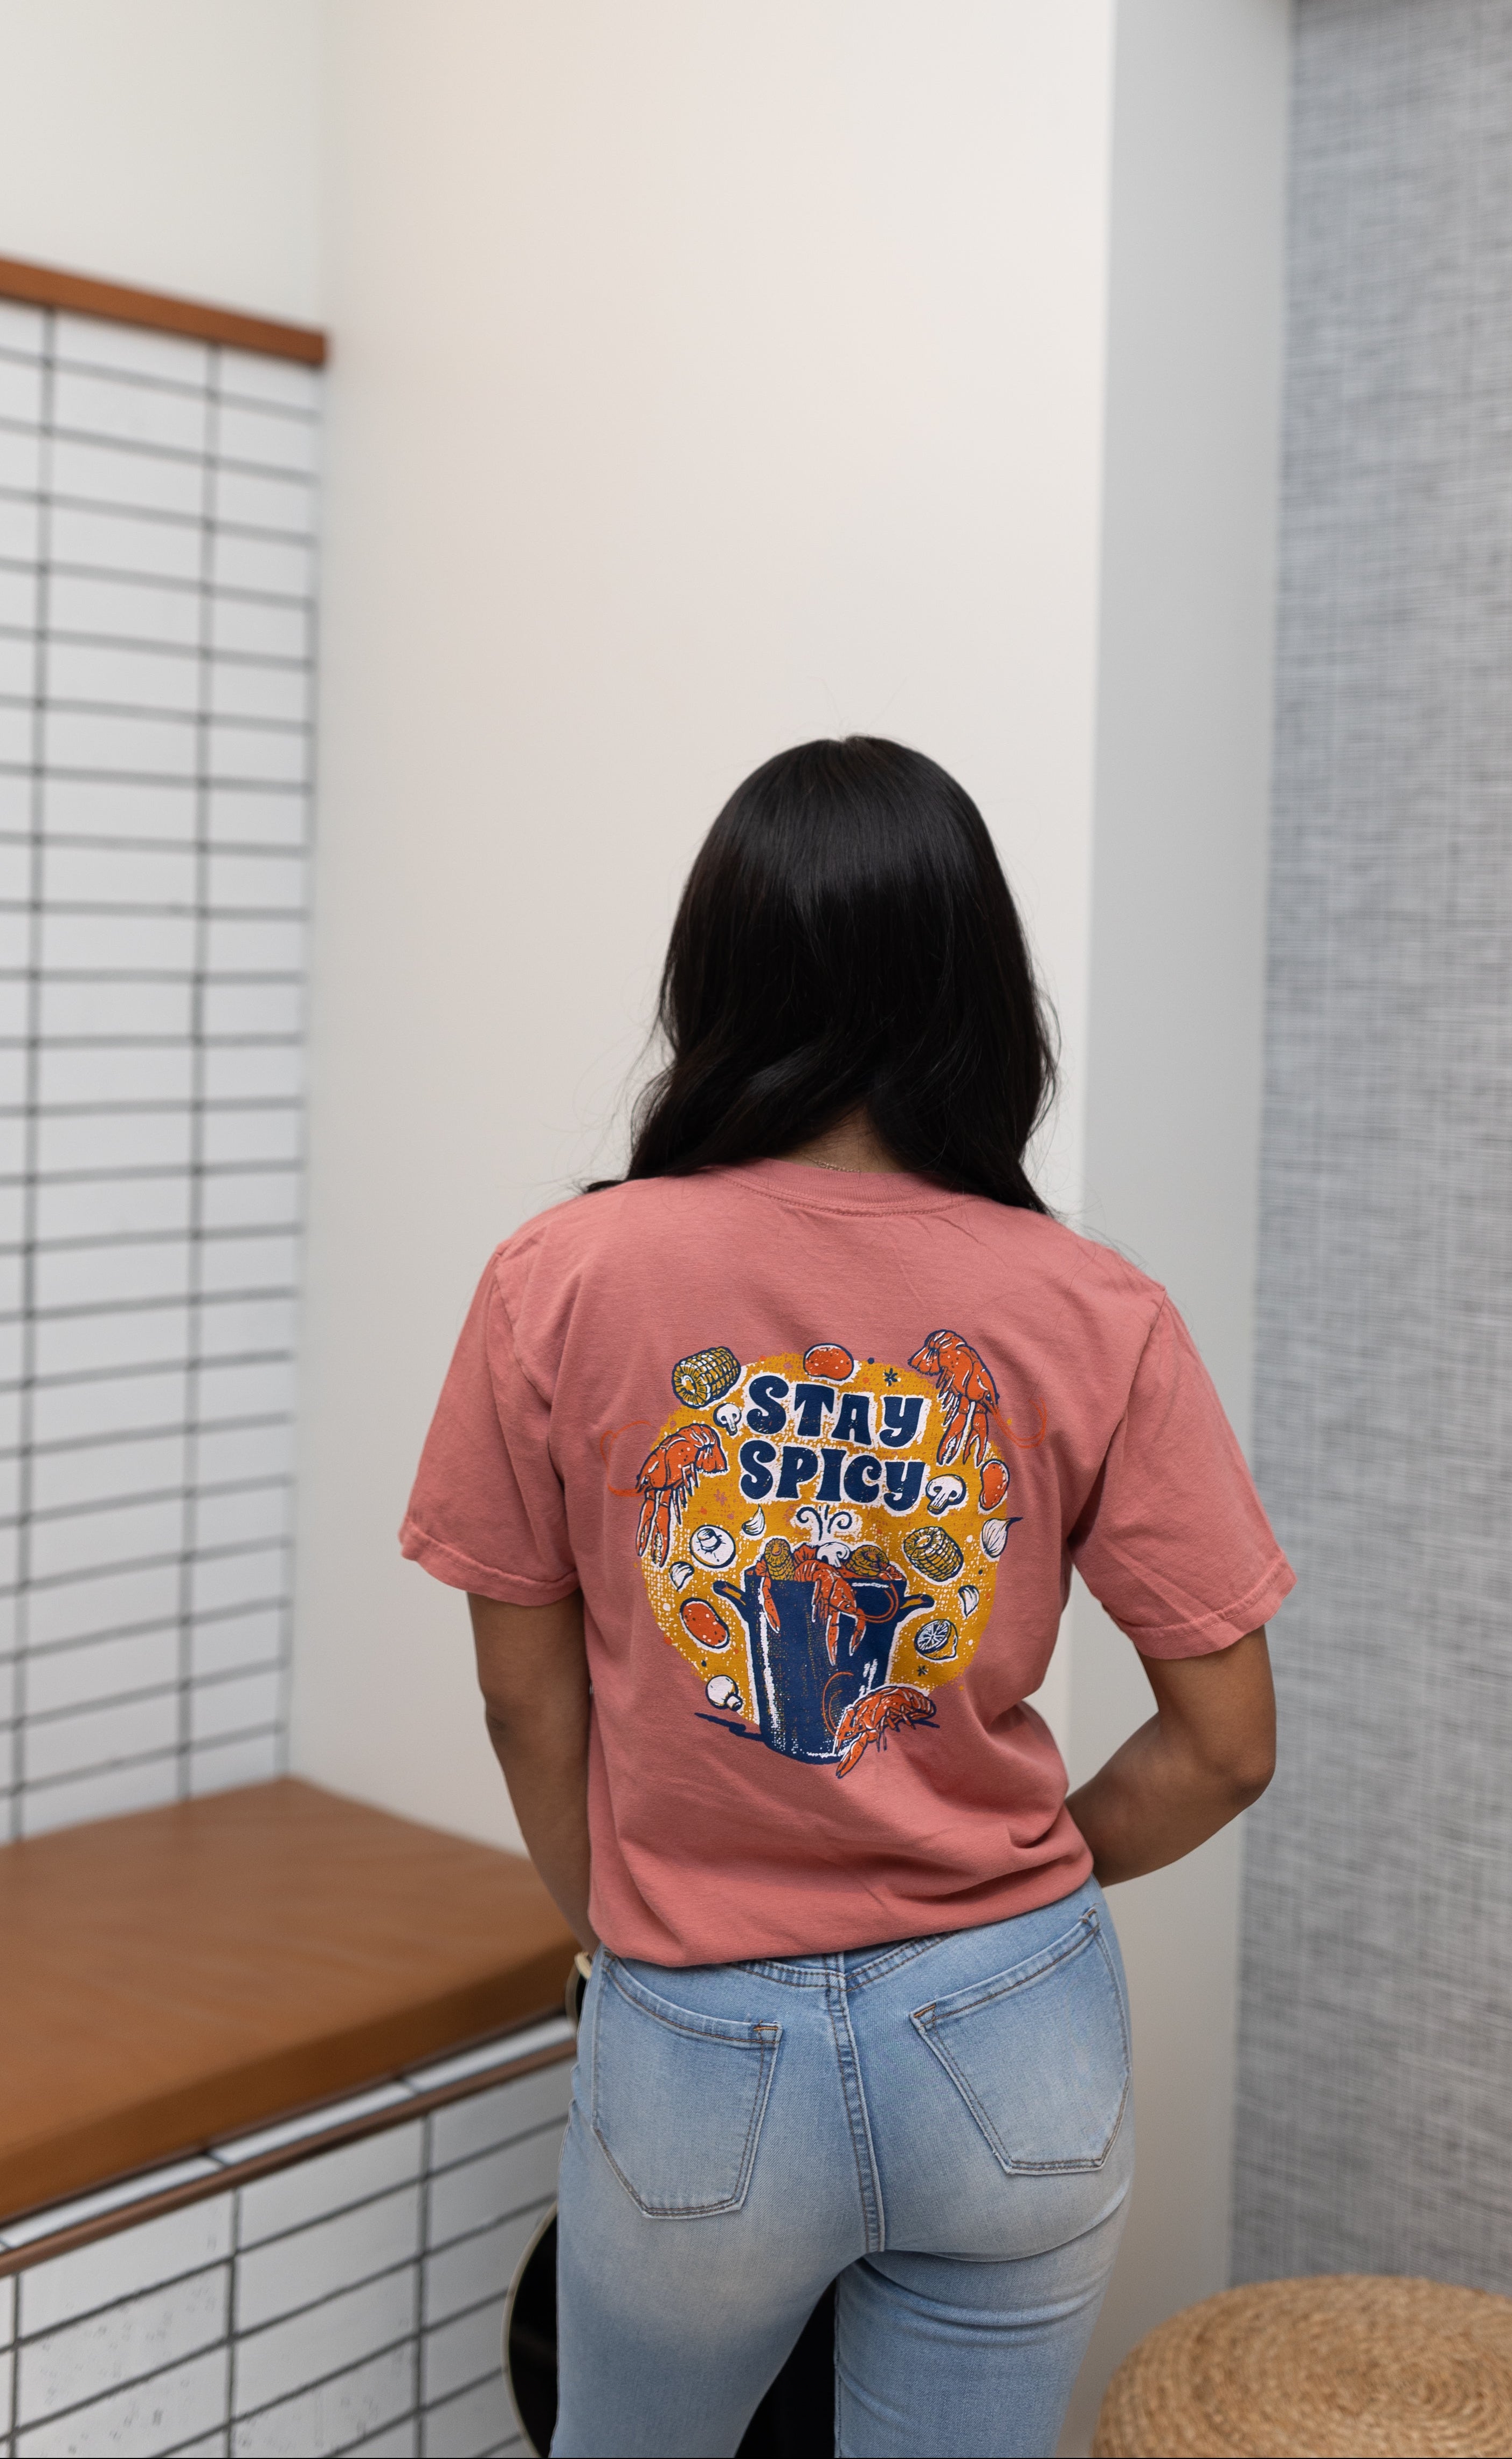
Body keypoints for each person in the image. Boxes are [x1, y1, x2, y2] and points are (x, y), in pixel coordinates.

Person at [401, 737, 1290, 2459]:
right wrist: (1014, 1879)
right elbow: (1229, 1742)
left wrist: (623, 1920)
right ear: (979, 991)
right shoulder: (1094, 1306)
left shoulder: (561, 1277)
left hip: (701, 2031)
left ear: (716, 978)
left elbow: (524, 1698)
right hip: (1018, 2031)